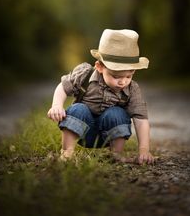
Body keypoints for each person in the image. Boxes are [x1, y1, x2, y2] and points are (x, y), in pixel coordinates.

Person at [47, 29, 154, 164]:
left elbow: (141, 119)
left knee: (117, 113)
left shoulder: (132, 88)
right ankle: (67, 152)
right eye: (115, 76)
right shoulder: (85, 74)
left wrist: (144, 150)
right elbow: (63, 86)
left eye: (128, 76)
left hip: (109, 135)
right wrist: (57, 105)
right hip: (81, 130)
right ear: (99, 67)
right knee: (78, 108)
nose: (122, 82)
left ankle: (116, 154)